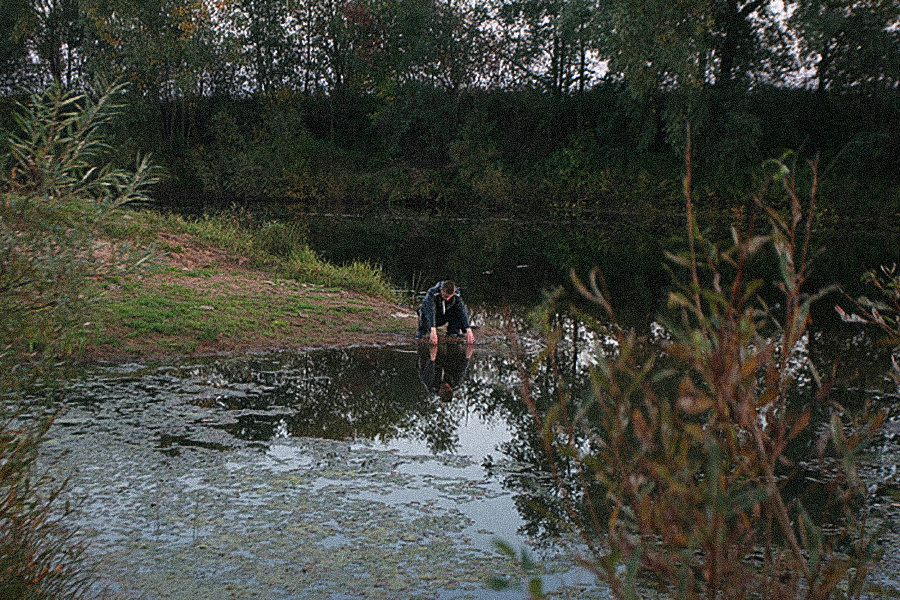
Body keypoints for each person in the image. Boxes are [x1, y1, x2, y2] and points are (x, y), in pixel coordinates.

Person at [415, 280, 475, 345]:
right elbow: (430, 311)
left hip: (445, 315)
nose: (447, 299)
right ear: (441, 290)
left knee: (459, 309)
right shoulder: (432, 293)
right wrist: (433, 329)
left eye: (450, 297)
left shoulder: (456, 295)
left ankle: (453, 331)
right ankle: (422, 332)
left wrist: (468, 329)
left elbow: (462, 311)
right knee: (425, 309)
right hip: (433, 317)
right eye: (446, 296)